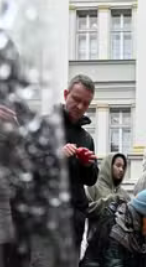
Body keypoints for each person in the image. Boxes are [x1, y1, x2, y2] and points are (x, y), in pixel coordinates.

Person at [60, 74, 99, 253]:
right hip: (49, 215)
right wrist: (57, 155)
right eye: (76, 99)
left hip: (75, 216)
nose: (81, 107)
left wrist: (86, 164)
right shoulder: (47, 126)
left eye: (86, 103)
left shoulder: (86, 137)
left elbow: (91, 180)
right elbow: (29, 165)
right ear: (65, 94)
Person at [87, 152, 131, 240]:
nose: (121, 169)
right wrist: (109, 200)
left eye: (123, 167)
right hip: (97, 243)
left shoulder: (124, 193)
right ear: (108, 166)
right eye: (118, 165)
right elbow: (86, 209)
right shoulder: (94, 186)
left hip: (118, 246)